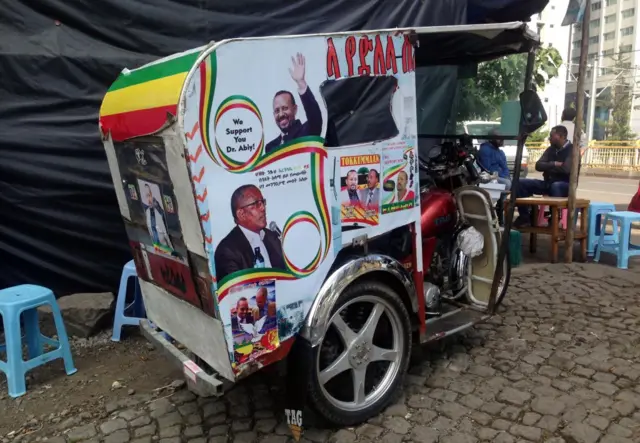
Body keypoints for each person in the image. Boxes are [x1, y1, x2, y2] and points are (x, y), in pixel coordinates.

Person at [215, 185, 285, 282]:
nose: (263, 208)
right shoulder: (227, 250)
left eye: (263, 202)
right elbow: (235, 293)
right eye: (256, 204)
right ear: (241, 214)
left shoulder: (273, 237)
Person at [514, 125, 576, 228]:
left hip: (566, 185)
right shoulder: (551, 149)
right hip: (548, 183)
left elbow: (566, 169)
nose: (549, 138)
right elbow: (538, 165)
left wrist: (547, 167)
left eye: (552, 136)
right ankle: (525, 217)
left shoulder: (572, 150)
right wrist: (554, 163)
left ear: (561, 136)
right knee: (520, 182)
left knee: (555, 186)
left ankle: (555, 217)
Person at [265, 53, 323, 154]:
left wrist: (301, 83)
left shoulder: (307, 131)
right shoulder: (270, 147)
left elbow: (315, 116)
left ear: (295, 109)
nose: (281, 114)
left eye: (285, 108)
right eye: (277, 110)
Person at [143, 183, 173, 249]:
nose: (148, 199)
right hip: (156, 245)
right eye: (146, 196)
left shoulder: (158, 208)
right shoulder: (147, 211)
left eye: (149, 195)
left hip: (165, 245)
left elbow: (165, 230)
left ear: (152, 195)